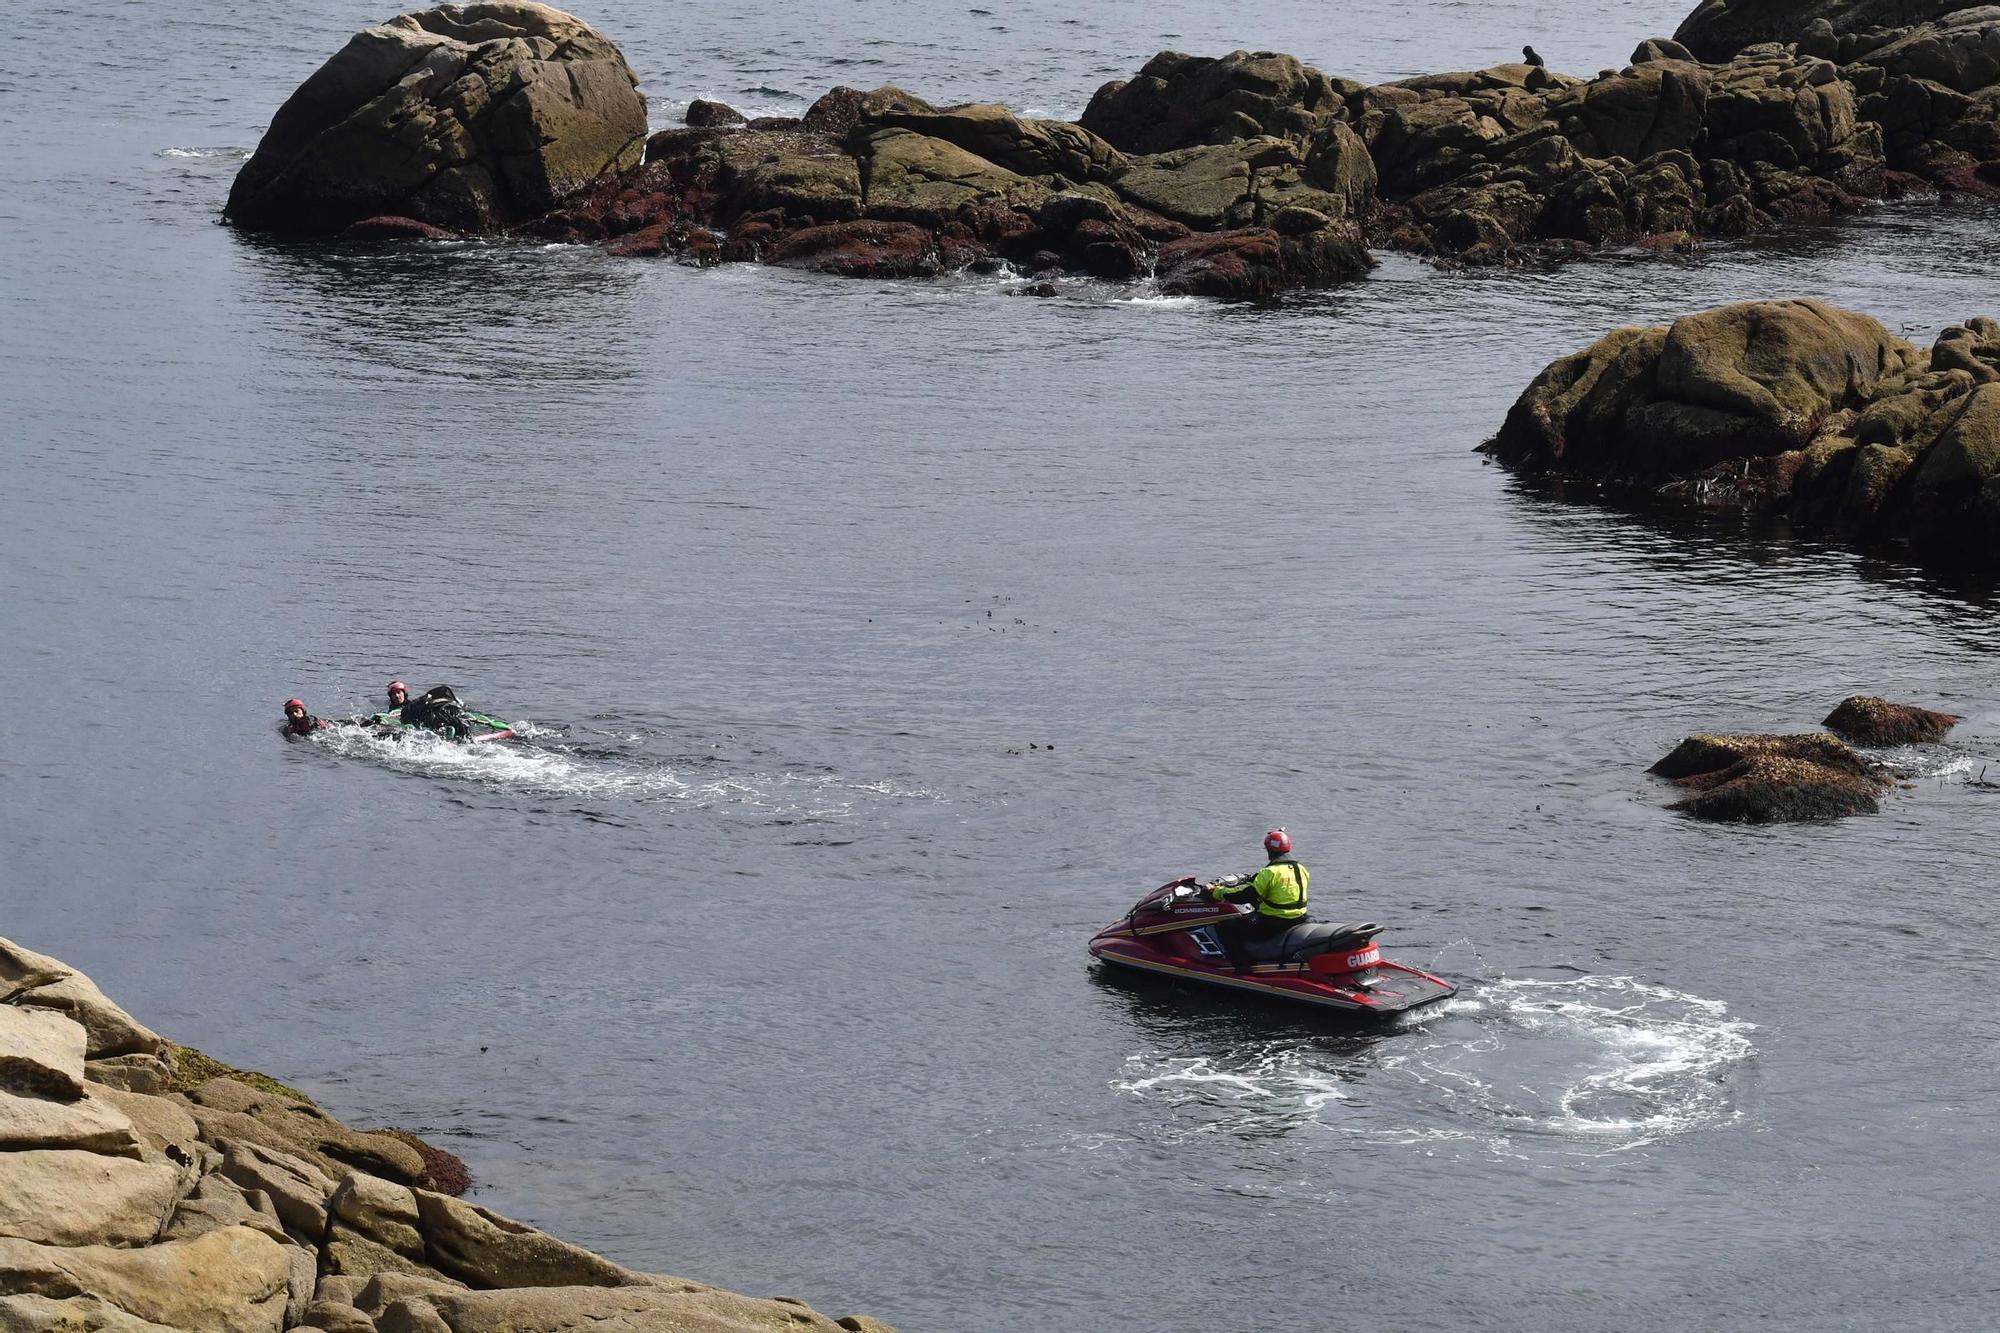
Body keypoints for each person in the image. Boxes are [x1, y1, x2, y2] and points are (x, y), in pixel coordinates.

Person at [1208, 829, 1311, 968]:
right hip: (1299, 919)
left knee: (1225, 927)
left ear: (1269, 850)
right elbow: (1283, 891)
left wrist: (1217, 892)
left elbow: (1245, 895)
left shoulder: (1270, 872)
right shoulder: (1301, 868)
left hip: (1274, 923)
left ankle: (1242, 967)